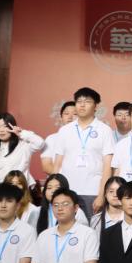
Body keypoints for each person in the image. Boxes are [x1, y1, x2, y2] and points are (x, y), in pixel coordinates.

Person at [50, 88, 116, 216]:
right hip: (67, 191)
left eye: (87, 101)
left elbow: (108, 166)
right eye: (79, 101)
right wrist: (55, 192)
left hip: (93, 192)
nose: (82, 105)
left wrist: (102, 195)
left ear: (95, 106)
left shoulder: (104, 130)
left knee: (92, 227)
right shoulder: (65, 130)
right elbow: (57, 165)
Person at [0, 113, 46, 190]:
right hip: (0, 191)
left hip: (21, 190)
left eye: (5, 126)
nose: (1, 130)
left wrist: (21, 133)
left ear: (12, 127)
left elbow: (40, 143)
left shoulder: (24, 145)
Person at [41, 101, 77, 176]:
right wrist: (62, 178)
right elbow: (46, 166)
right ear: (61, 117)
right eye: (66, 114)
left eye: (75, 114)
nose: (70, 117)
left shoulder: (87, 139)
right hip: (58, 180)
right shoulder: (51, 139)